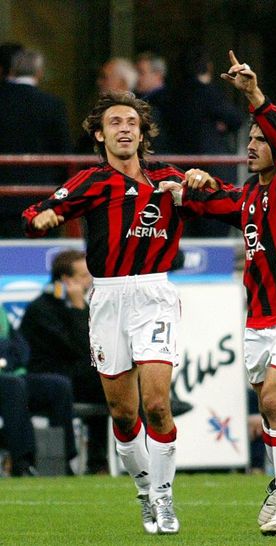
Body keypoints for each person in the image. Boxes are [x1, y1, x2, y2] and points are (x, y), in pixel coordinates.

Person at [161, 50, 276, 536]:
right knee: (273, 407)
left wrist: (255, 97)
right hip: (260, 318)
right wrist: (188, 180)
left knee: (275, 402)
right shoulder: (247, 197)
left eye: (262, 139)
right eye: (251, 138)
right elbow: (195, 196)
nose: (252, 144)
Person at [21, 90, 210, 533]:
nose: (124, 129)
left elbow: (216, 201)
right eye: (114, 123)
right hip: (107, 299)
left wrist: (206, 185)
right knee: (123, 415)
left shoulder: (168, 178)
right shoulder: (91, 182)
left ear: (143, 131)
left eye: (131, 121)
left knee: (158, 406)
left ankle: (164, 500)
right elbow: (35, 213)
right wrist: (41, 220)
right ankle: (145, 491)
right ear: (100, 134)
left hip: (154, 294)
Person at [20, 249, 108, 473]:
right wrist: (79, 308)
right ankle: (67, 461)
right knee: (82, 381)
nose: (89, 281)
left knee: (109, 381)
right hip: (47, 378)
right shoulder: (41, 309)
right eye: (84, 276)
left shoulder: (82, 307)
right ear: (67, 280)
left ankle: (99, 462)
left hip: (75, 377)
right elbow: (81, 348)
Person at [163, 47, 243, 237]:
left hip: (179, 174)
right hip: (211, 175)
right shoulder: (208, 93)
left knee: (185, 234)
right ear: (208, 67)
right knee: (213, 234)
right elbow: (236, 119)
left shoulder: (172, 96)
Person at [0, 48, 72, 237]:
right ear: (39, 73)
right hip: (42, 199)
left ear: (11, 71)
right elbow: (64, 151)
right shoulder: (52, 104)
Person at [1, 305, 77, 476]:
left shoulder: (1, 314)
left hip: (12, 375)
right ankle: (22, 461)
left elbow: (21, 347)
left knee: (59, 386)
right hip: (9, 382)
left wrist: (8, 358)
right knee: (14, 386)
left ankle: (63, 459)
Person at [135, 51, 171, 153]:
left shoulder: (167, 102)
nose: (137, 78)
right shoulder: (140, 99)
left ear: (158, 75)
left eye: (141, 72)